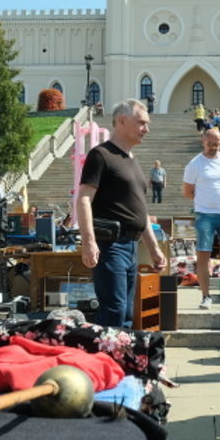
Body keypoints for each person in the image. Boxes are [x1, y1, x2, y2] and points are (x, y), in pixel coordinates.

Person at [76, 99, 166, 328]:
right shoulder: (101, 155)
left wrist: (154, 248)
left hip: (131, 246)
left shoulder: (132, 161)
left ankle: (118, 361)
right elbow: (84, 199)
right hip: (110, 245)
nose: (147, 129)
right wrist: (89, 241)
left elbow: (139, 210)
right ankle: (105, 362)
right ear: (122, 121)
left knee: (126, 313)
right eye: (142, 123)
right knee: (114, 311)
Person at [183, 128, 220, 310]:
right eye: (210, 144)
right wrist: (205, 202)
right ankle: (206, 295)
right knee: (203, 255)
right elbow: (187, 191)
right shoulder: (195, 164)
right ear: (203, 142)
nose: (213, 148)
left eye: (216, 144)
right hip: (204, 214)